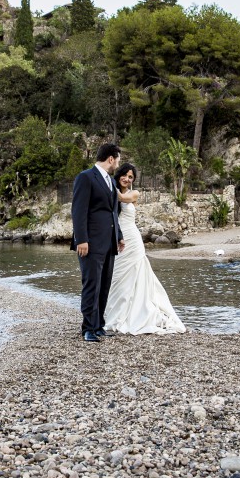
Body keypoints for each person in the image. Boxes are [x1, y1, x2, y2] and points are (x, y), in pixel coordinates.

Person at [104, 163, 186, 335]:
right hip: (116, 238)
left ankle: (136, 312)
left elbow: (120, 197)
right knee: (117, 275)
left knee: (137, 273)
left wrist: (107, 182)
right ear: (119, 175)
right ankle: (114, 312)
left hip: (132, 239)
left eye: (131, 177)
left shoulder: (133, 193)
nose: (127, 179)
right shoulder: (111, 191)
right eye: (124, 175)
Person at [70, 143, 124, 342]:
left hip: (108, 242)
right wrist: (81, 239)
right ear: (111, 158)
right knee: (91, 284)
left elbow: (113, 212)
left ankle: (99, 324)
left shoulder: (110, 180)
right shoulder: (85, 177)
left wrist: (118, 236)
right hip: (90, 243)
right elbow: (78, 211)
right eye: (117, 159)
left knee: (104, 285)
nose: (118, 163)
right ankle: (88, 328)